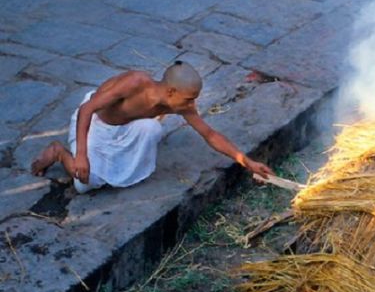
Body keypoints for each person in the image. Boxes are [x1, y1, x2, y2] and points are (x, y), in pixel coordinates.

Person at [31, 61, 273, 193]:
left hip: (127, 127)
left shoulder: (180, 104)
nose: (193, 104)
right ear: (170, 91)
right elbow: (87, 110)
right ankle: (60, 152)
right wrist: (81, 155)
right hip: (96, 123)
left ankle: (114, 160)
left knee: (152, 129)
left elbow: (209, 134)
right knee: (84, 184)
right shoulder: (135, 82)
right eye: (189, 98)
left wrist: (246, 161)